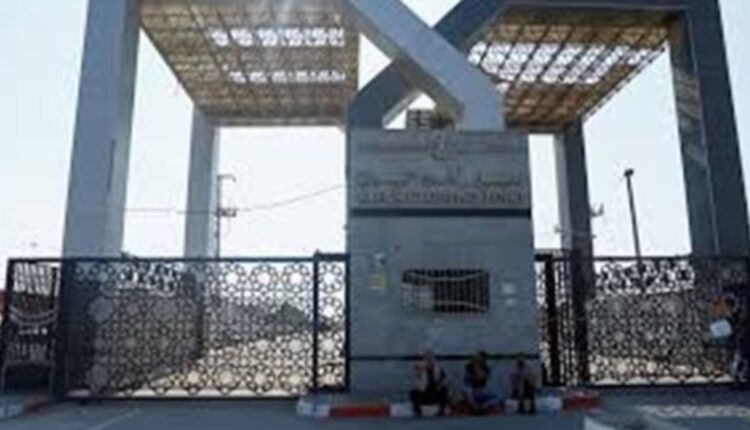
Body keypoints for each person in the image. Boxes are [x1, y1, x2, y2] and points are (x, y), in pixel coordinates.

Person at [409, 350, 448, 417]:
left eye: (431, 359)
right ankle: (417, 411)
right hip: (424, 392)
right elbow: (416, 381)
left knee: (444, 390)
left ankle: (442, 410)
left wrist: (439, 383)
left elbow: (443, 379)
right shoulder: (420, 369)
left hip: (435, 392)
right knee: (413, 392)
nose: (429, 361)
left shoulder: (438, 369)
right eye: (427, 359)